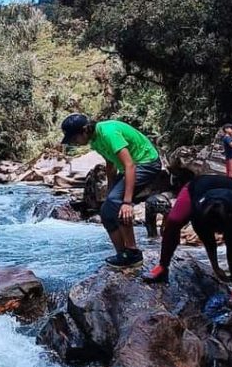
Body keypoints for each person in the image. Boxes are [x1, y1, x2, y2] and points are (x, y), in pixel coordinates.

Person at [61, 113, 163, 268]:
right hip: (130, 167)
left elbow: (130, 165)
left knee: (116, 202)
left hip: (146, 162)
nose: (74, 142)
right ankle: (122, 255)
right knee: (106, 211)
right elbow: (111, 163)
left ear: (84, 130)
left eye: (75, 138)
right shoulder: (95, 140)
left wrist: (127, 202)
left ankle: (133, 253)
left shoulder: (108, 133)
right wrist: (110, 190)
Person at [142, 174, 232, 308]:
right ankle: (162, 266)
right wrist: (215, 267)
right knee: (174, 221)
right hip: (196, 187)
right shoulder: (199, 212)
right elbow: (208, 241)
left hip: (231, 194)